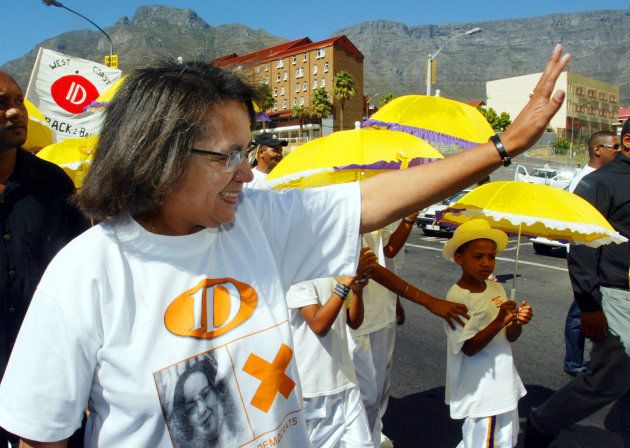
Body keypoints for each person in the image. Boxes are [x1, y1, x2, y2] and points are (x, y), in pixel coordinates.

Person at [0, 44, 570, 447]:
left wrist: (505, 145)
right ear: (157, 155)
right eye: (227, 156)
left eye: (248, 154)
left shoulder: (259, 219)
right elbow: (42, 435)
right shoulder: (86, 271)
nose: (247, 174)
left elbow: (372, 200)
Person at [525, 120, 630, 447]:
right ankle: (543, 422)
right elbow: (583, 247)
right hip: (617, 292)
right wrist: (588, 306)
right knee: (608, 380)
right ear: (627, 141)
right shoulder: (599, 183)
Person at [0, 71, 87, 447]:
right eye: (1, 103)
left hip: (47, 375)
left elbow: (83, 276)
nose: (15, 112)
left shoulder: (54, 184)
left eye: (18, 101)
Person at [441, 219, 533, 448]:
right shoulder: (457, 297)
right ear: (459, 258)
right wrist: (500, 319)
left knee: (506, 440)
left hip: (504, 384)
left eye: (491, 257)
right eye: (478, 256)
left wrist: (517, 320)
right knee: (485, 442)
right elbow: (469, 348)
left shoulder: (495, 287)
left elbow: (510, 336)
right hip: (483, 390)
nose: (486, 263)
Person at [287, 247, 377, 448]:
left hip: (344, 379)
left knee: (363, 444)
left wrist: (358, 291)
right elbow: (319, 325)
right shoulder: (298, 273)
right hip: (313, 388)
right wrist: (345, 283)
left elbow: (354, 322)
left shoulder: (332, 270)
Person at [347, 214, 417, 448]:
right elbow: (379, 260)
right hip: (355, 311)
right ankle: (359, 439)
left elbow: (387, 253)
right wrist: (427, 301)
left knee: (380, 385)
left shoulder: (385, 198)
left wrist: (395, 299)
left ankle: (375, 432)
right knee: (364, 392)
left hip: (383, 307)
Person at [563, 130, 620, 376]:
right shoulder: (585, 181)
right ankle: (575, 363)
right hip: (586, 257)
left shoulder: (602, 178)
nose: (618, 152)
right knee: (583, 309)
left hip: (599, 256)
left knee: (588, 309)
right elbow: (578, 228)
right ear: (598, 149)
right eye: (614, 147)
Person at [168, 354, 242, 447]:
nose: (202, 410)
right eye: (192, 406)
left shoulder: (245, 434)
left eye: (206, 395)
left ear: (217, 392)